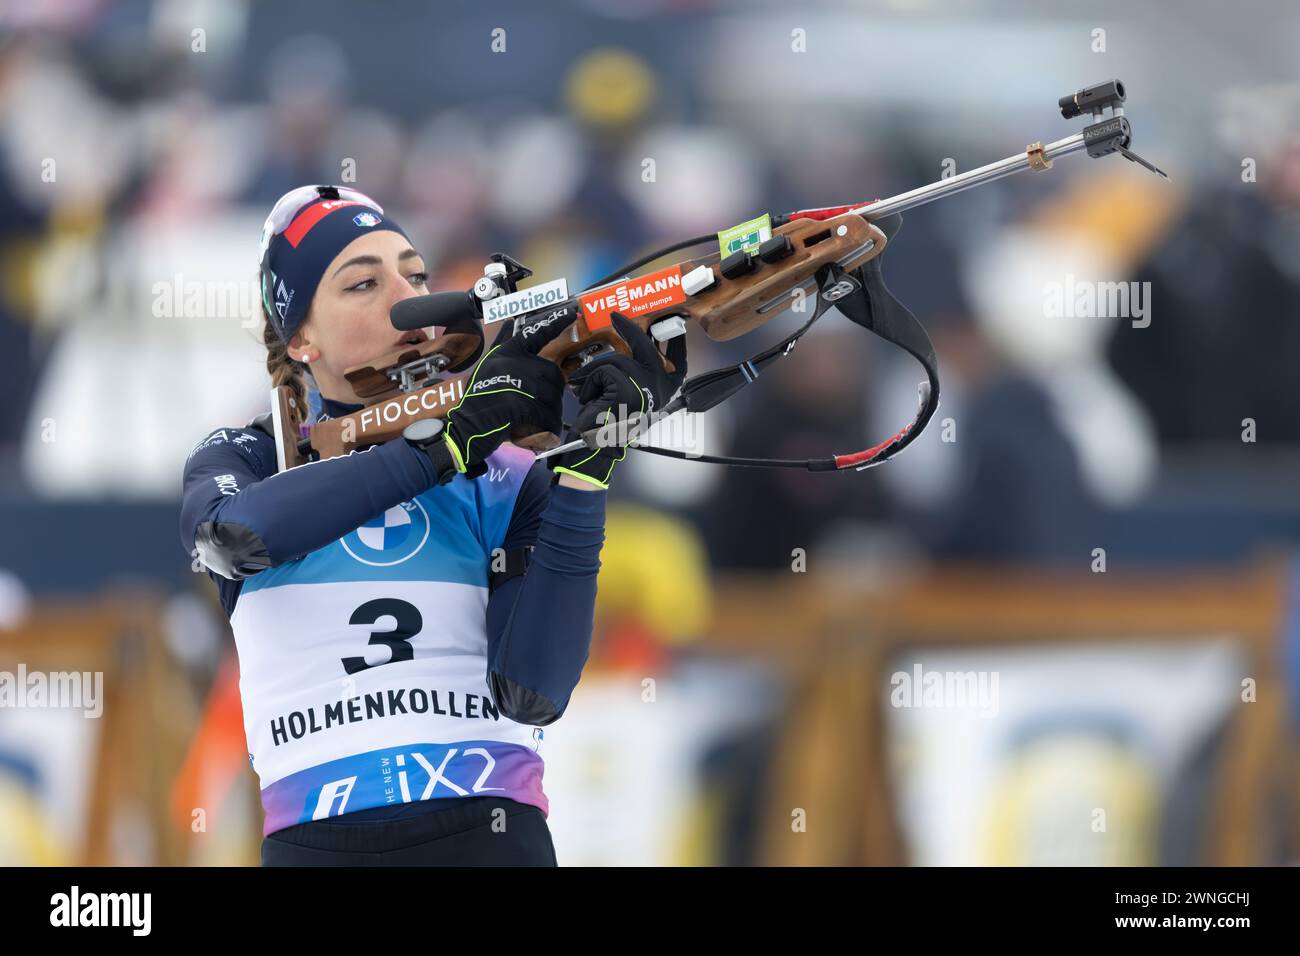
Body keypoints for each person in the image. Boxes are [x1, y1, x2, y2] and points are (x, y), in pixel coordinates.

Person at [179, 185, 685, 865]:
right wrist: (443, 445)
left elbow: (535, 688)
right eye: (364, 283)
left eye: (416, 276)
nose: (405, 296)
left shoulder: (501, 473)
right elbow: (234, 537)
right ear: (300, 337)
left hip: (490, 839)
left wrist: (589, 469)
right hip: (320, 845)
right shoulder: (252, 455)